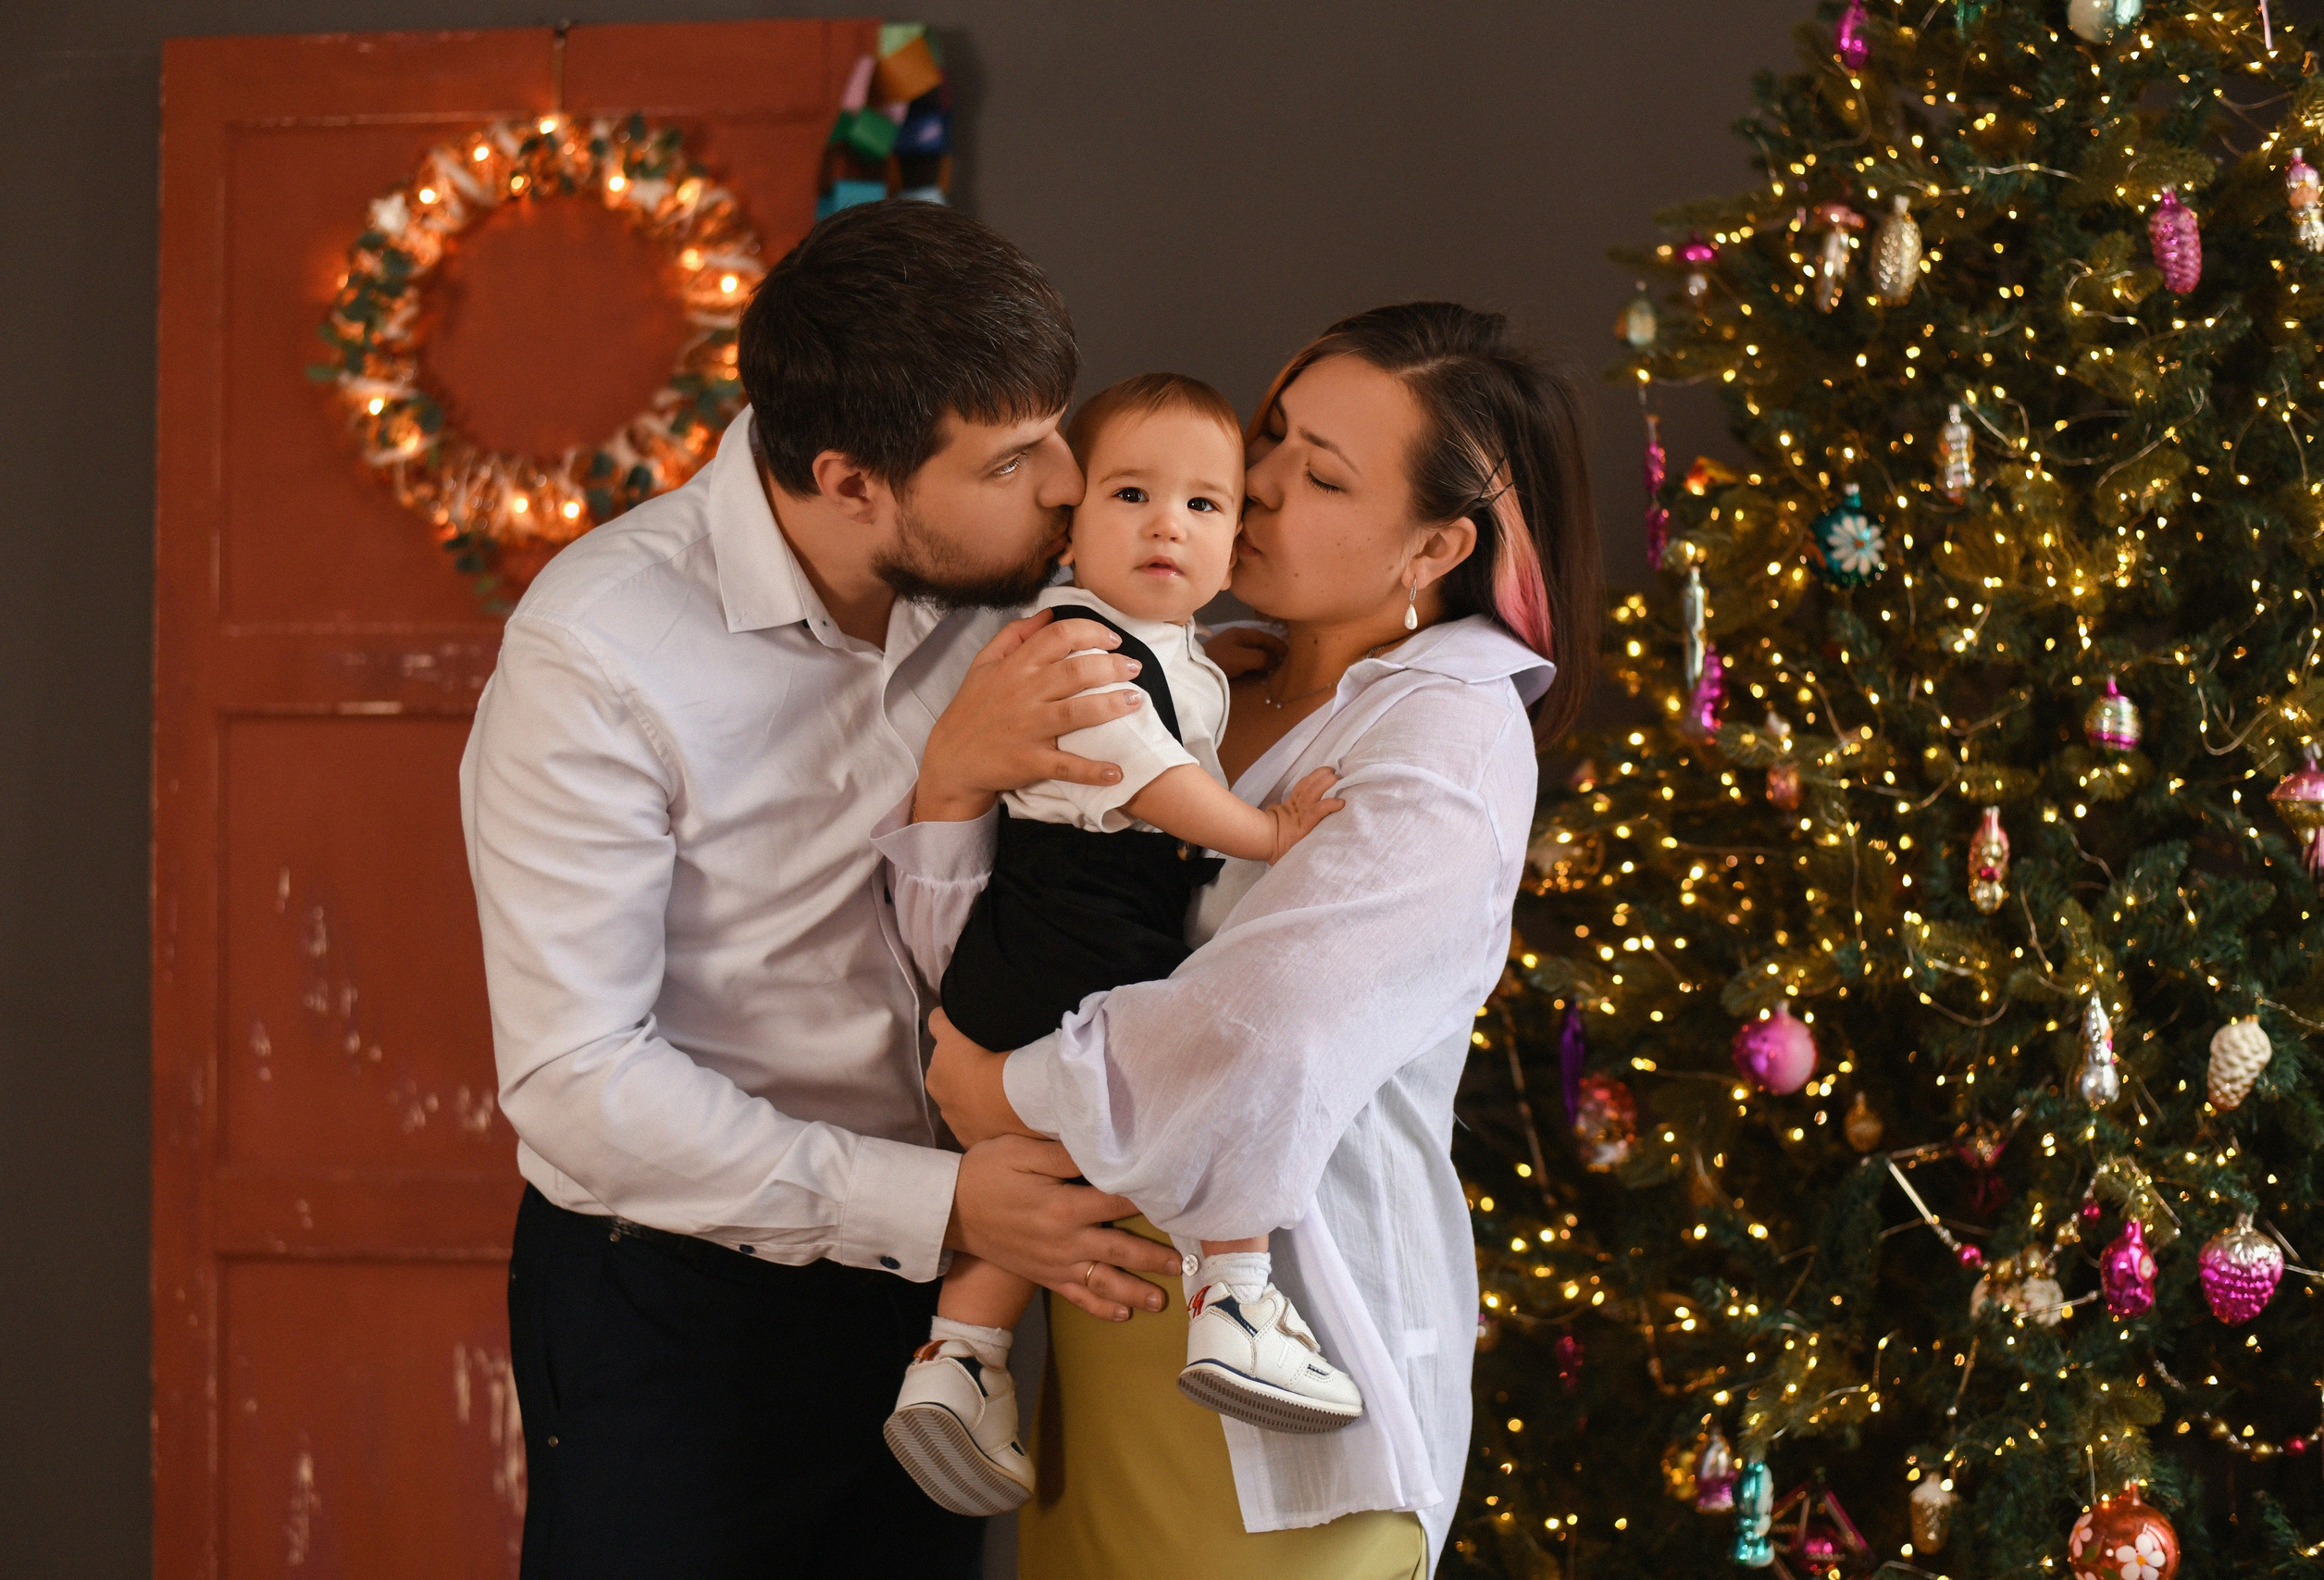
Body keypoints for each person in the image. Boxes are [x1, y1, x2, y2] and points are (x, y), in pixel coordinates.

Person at [458, 199, 1187, 1579]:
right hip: (673, 1300)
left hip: (940, 1298)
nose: (1067, 483)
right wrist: (944, 1204)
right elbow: (575, 1077)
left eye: (1057, 429)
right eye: (1011, 458)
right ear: (851, 482)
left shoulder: (1019, 580)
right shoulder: (599, 650)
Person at [877, 302, 1600, 1579]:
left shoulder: (1444, 744)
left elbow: (1262, 1034)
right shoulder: (1186, 672)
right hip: (1100, 1345)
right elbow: (1007, 945)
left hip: (1291, 1406)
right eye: (1269, 435)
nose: (1252, 482)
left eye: (1321, 475)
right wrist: (952, 781)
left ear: (1435, 544)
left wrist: (1000, 1092)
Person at [883, 373, 1361, 1521]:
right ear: (1071, 522)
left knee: (1047, 1166)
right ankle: (1235, 1294)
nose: (1166, 526)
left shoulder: (1153, 646)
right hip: (1076, 938)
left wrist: (1215, 659)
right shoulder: (1074, 648)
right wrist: (1266, 831)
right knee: (1209, 1063)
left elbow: (1170, 700)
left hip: (1039, 950)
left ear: (1234, 540)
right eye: (1132, 495)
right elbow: (1149, 779)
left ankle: (960, 1360)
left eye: (1203, 506)